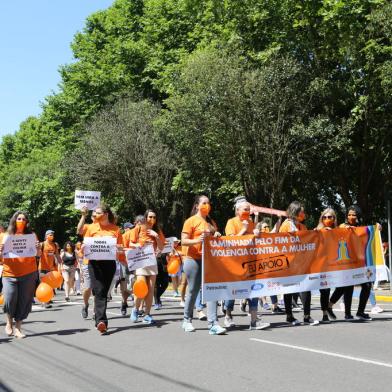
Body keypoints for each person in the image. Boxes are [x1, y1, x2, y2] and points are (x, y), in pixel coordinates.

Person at [181, 195, 226, 335]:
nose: (207, 205)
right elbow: (183, 241)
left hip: (209, 260)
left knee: (211, 289)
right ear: (197, 206)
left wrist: (216, 235)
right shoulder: (191, 221)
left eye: (208, 203)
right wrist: (197, 240)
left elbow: (214, 239)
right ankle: (187, 320)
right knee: (193, 290)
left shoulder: (211, 222)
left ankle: (213, 323)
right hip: (192, 259)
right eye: (204, 203)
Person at [225, 199, 270, 330]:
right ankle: (228, 316)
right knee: (233, 291)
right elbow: (230, 242)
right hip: (235, 263)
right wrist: (244, 230)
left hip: (251, 262)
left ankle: (254, 320)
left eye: (249, 209)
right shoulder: (231, 222)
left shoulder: (251, 223)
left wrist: (257, 234)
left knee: (254, 289)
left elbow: (255, 241)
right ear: (237, 210)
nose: (248, 211)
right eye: (245, 209)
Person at [81, 204, 124, 334]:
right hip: (94, 264)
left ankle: (99, 320)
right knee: (99, 290)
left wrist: (118, 250)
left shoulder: (115, 229)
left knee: (103, 291)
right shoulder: (91, 228)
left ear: (105, 214)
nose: (95, 215)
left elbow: (120, 248)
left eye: (98, 212)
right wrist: (83, 247)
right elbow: (85, 244)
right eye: (94, 213)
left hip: (109, 264)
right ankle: (102, 321)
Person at [329, 205, 375, 321]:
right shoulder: (343, 226)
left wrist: (377, 228)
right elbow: (335, 237)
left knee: (367, 285)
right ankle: (346, 313)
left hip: (361, 263)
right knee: (346, 286)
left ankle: (360, 312)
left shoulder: (361, 228)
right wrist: (344, 231)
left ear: (358, 216)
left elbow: (369, 235)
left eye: (353, 214)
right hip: (347, 262)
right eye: (349, 214)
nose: (351, 216)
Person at [0, 211, 41, 338]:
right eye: (19, 218)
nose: (21, 221)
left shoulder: (32, 235)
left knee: (24, 301)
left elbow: (37, 255)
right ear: (14, 220)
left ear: (27, 221)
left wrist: (38, 248)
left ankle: (18, 327)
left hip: (28, 273)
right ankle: (9, 322)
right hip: (9, 273)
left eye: (24, 219)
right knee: (9, 298)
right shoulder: (5, 235)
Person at [279, 201, 319, 326]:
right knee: (289, 290)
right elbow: (280, 241)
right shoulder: (286, 225)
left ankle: (307, 316)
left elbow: (306, 239)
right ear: (295, 211)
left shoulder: (302, 226)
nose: (303, 213)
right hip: (289, 262)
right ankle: (289, 316)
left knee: (306, 288)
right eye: (301, 211)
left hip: (302, 262)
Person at [128, 209, 164, 325]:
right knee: (141, 286)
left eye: (154, 217)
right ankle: (135, 309)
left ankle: (147, 314)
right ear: (145, 217)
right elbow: (130, 243)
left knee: (150, 289)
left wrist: (156, 236)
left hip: (152, 261)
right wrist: (138, 245)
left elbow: (161, 247)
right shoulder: (139, 227)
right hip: (140, 260)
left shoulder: (157, 230)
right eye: (150, 217)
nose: (152, 219)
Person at [315, 208, 338, 323]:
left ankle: (330, 305)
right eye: (325, 217)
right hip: (321, 265)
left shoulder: (339, 230)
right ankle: (324, 314)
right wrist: (322, 231)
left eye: (330, 217)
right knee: (325, 290)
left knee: (344, 286)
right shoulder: (317, 230)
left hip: (336, 264)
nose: (327, 219)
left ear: (334, 219)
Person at [77, 207, 96, 319]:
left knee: (97, 289)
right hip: (87, 262)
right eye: (93, 215)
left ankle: (95, 312)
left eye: (98, 215)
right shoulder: (88, 227)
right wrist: (83, 215)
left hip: (101, 263)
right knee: (88, 288)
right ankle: (85, 304)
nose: (96, 217)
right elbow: (78, 230)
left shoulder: (106, 228)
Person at [38, 229, 61, 308]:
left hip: (51, 268)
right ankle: (44, 301)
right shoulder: (42, 244)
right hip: (42, 268)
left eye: (53, 235)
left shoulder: (54, 245)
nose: (52, 236)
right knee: (44, 284)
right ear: (46, 236)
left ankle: (48, 298)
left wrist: (60, 262)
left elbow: (57, 254)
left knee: (50, 284)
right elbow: (37, 254)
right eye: (50, 234)